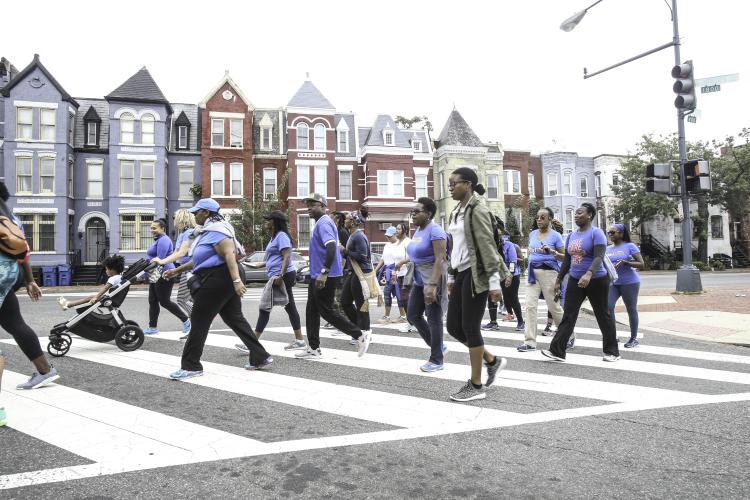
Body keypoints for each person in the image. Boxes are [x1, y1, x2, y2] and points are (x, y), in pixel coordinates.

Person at [164, 198, 272, 379]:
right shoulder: (208, 231)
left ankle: (191, 366)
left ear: (206, 213)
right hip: (220, 277)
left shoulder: (217, 230)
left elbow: (229, 253)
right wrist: (177, 270)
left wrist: (237, 281)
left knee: (199, 320)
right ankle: (260, 357)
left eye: (196, 212)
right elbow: (199, 260)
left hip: (219, 278)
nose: (194, 215)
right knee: (234, 318)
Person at [445, 168, 509, 402]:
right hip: (461, 274)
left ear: (468, 184)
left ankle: (476, 384)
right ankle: (492, 361)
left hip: (476, 275)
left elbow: (488, 248)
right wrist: (452, 278)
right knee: (453, 327)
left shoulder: (478, 210)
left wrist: (494, 284)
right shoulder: (456, 211)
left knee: (471, 328)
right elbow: (456, 248)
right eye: (449, 183)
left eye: (454, 183)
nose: (450, 187)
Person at [295, 193, 371, 359]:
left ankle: (359, 334)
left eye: (313, 204)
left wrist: (324, 272)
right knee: (311, 310)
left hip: (325, 276)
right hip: (317, 274)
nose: (309, 207)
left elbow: (331, 248)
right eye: (307, 204)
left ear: (322, 206)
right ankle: (314, 348)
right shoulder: (323, 223)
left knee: (326, 311)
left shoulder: (324, 224)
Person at [542, 203, 621, 363]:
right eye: (576, 214)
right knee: (569, 315)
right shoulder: (572, 236)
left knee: (603, 315)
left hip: (597, 280)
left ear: (589, 215)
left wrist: (589, 273)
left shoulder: (596, 233)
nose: (576, 215)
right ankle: (557, 351)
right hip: (575, 279)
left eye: (580, 213)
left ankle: (612, 352)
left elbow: (599, 256)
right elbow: (567, 260)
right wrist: (558, 280)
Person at [0, 180, 59, 390]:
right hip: (11, 274)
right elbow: (23, 252)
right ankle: (45, 371)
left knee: (14, 322)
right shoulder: (11, 218)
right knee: (13, 322)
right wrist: (30, 280)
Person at [235, 210, 304, 352]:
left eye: (268, 220)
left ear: (275, 222)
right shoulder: (274, 237)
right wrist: (258, 264)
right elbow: (274, 258)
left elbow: (286, 257)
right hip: (278, 275)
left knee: (265, 307)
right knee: (289, 307)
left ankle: (252, 344)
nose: (266, 222)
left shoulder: (281, 236)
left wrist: (280, 275)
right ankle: (300, 340)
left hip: (282, 276)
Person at [396, 198, 448, 373]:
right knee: (413, 314)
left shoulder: (436, 230)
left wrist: (433, 285)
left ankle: (436, 359)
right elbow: (416, 253)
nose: (413, 214)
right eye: (413, 211)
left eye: (417, 211)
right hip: (418, 277)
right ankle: (438, 345)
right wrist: (403, 261)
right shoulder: (418, 230)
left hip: (432, 276)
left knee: (434, 318)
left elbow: (440, 259)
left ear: (429, 214)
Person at [517, 208, 566, 352]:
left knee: (554, 307)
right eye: (538, 217)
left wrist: (553, 252)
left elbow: (564, 257)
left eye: (543, 217)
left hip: (549, 273)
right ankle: (530, 342)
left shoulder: (556, 236)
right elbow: (531, 253)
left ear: (550, 219)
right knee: (530, 307)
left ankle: (568, 336)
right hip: (532, 274)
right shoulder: (532, 234)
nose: (539, 220)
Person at [151, 209, 196, 339]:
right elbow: (175, 254)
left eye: (174, 217)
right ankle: (197, 323)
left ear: (181, 219)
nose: (173, 220)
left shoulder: (188, 233)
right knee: (190, 299)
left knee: (182, 299)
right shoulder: (182, 233)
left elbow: (181, 253)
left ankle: (197, 324)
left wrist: (162, 261)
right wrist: (172, 270)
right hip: (183, 269)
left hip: (190, 269)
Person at [606, 223, 644, 348]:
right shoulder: (607, 249)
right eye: (609, 232)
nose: (610, 234)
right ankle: (613, 336)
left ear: (621, 234)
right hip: (614, 283)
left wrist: (627, 263)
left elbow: (641, 264)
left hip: (630, 282)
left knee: (631, 309)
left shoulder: (630, 246)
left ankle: (633, 339)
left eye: (613, 232)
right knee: (608, 307)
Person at [341, 208, 373, 345]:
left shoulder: (359, 236)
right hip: (353, 272)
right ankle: (358, 330)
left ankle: (365, 333)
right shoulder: (352, 235)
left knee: (361, 305)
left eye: (347, 218)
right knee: (345, 301)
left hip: (362, 273)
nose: (345, 220)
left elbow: (363, 256)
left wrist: (345, 251)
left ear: (353, 222)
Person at [58, 255, 125, 310]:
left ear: (112, 269)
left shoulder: (113, 278)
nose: (106, 271)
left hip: (108, 300)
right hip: (113, 299)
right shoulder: (120, 277)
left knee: (90, 298)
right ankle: (69, 304)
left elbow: (105, 288)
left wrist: (96, 297)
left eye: (107, 269)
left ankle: (68, 304)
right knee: (90, 297)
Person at [322, 212, 350, 331]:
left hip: (342, 270)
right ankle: (336, 320)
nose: (329, 217)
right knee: (332, 296)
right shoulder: (333, 231)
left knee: (340, 297)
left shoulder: (342, 232)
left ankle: (344, 322)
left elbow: (345, 253)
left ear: (337, 219)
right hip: (334, 270)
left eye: (331, 216)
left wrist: (341, 269)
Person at [375, 226, 408, 324]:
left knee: (399, 295)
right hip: (389, 273)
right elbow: (382, 259)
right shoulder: (387, 245)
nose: (388, 238)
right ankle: (387, 316)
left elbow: (403, 259)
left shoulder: (400, 245)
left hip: (399, 273)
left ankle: (403, 316)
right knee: (386, 294)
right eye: (387, 236)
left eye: (390, 236)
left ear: (395, 235)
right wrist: (376, 270)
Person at [543, 218, 567, 334]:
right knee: (552, 299)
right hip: (554, 273)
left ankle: (561, 327)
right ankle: (549, 325)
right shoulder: (550, 242)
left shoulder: (562, 242)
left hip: (564, 274)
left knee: (560, 301)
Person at [499, 231, 524, 331]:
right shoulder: (493, 245)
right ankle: (510, 314)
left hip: (513, 275)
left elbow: (513, 262)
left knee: (513, 298)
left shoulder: (509, 245)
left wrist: (510, 277)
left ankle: (521, 321)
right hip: (501, 275)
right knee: (505, 296)